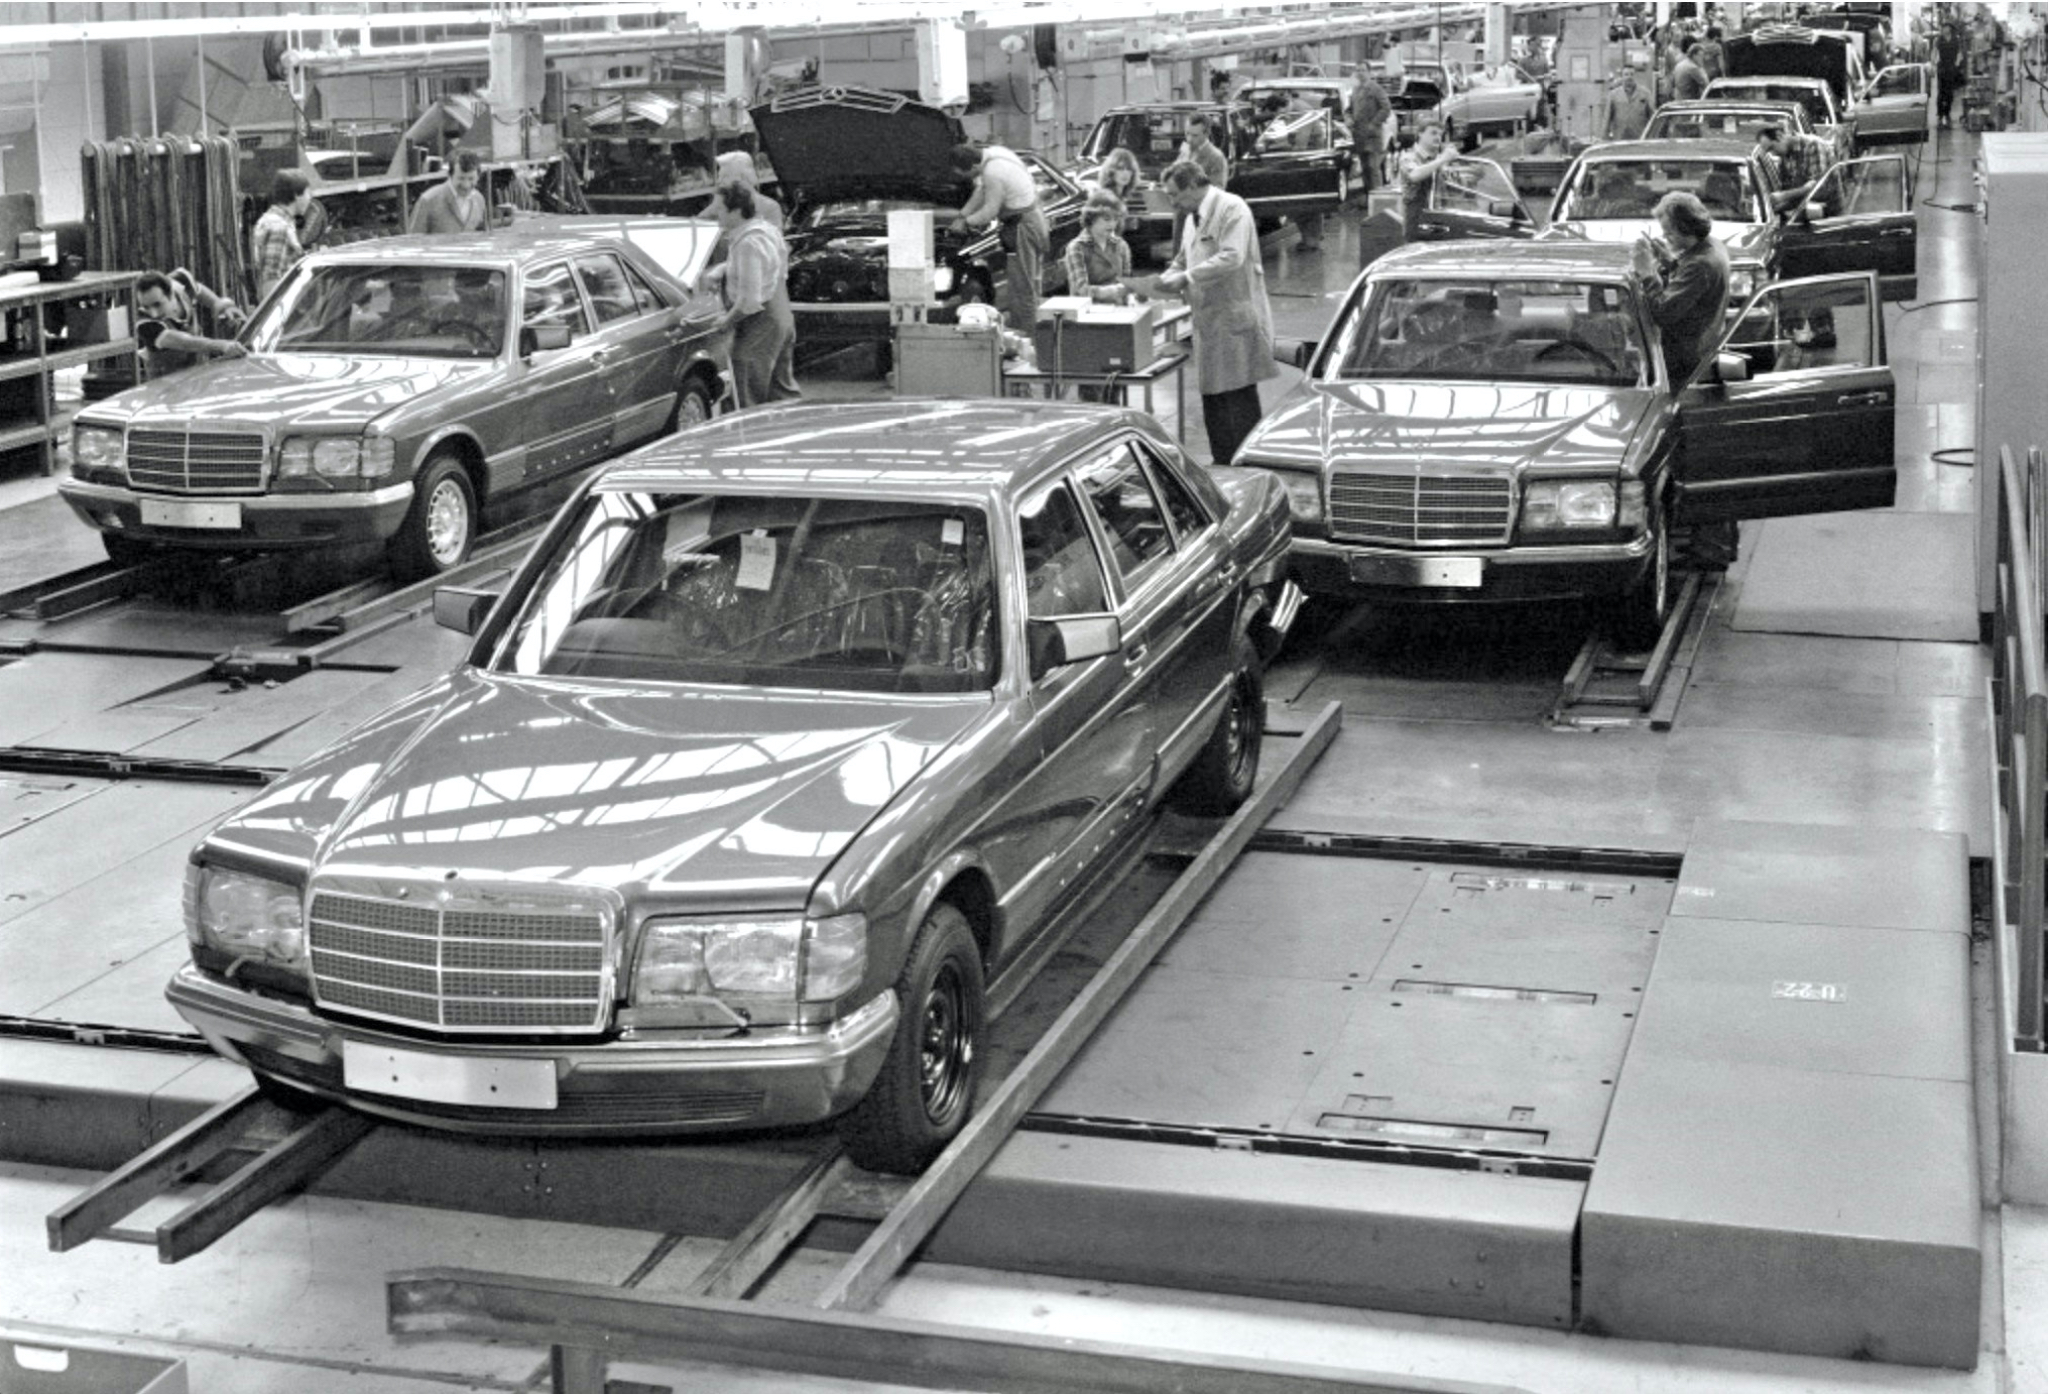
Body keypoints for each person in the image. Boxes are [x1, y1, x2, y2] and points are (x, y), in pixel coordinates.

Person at [1154, 159, 1277, 468]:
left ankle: (1248, 468)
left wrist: (1188, 277)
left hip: (1235, 319)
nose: (1172, 202)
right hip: (1209, 321)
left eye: (1175, 195)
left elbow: (1232, 256)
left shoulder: (1232, 209)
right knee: (1215, 403)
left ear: (1194, 186)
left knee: (1237, 401)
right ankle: (1223, 465)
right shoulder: (1191, 216)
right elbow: (1184, 257)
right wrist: (1166, 277)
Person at [702, 180, 796, 409]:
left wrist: (726, 320)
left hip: (760, 325)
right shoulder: (764, 230)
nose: (717, 215)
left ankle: (749, 442)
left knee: (746, 392)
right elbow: (767, 266)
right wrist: (723, 269)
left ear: (736, 211)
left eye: (721, 210)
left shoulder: (748, 242)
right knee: (781, 392)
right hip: (780, 317)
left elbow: (749, 301)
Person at [1629, 190, 1729, 386]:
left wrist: (1647, 271)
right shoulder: (1711, 245)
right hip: (1699, 353)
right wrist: (1669, 261)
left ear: (1686, 227)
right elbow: (1693, 287)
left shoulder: (1700, 265)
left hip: (1687, 365)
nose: (1665, 237)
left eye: (1669, 232)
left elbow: (1663, 312)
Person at [949, 142, 1049, 333]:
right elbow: (981, 191)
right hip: (1033, 220)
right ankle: (1030, 334)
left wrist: (967, 222)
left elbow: (990, 210)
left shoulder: (993, 172)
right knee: (1029, 286)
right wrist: (962, 215)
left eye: (965, 174)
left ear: (974, 166)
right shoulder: (995, 153)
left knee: (1023, 289)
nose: (967, 179)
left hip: (1023, 227)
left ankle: (1027, 340)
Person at [133, 269, 246, 380]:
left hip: (200, 372)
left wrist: (219, 305)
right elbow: (185, 342)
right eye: (146, 307)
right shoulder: (144, 324)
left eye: (157, 304)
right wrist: (223, 346)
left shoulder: (182, 281)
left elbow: (199, 290)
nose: (153, 313)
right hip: (167, 383)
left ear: (171, 294)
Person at [250, 169, 312, 302]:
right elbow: (270, 281)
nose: (310, 198)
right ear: (297, 194)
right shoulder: (279, 228)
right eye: (308, 193)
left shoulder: (272, 220)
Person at [1396, 119, 1457, 245]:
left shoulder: (1439, 158)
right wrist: (1442, 160)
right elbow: (1415, 175)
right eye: (1433, 133)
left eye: (1440, 134)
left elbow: (1454, 188)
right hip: (1417, 222)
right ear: (1420, 134)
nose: (1438, 138)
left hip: (1441, 219)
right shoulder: (1408, 156)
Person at [408, 149, 489, 235]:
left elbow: (484, 236)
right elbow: (414, 240)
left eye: (471, 179)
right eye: (461, 178)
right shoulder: (428, 200)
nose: (466, 185)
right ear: (450, 175)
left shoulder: (479, 199)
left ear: (479, 177)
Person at [1350, 67, 1392, 186]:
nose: (1360, 73)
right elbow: (1350, 109)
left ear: (1369, 72)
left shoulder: (1376, 89)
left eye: (1362, 70)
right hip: (1359, 135)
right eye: (1357, 70)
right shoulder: (1355, 89)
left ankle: (1377, 197)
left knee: (1373, 167)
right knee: (1365, 168)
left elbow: (1386, 108)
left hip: (1373, 135)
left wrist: (1374, 123)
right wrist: (1349, 119)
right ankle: (1368, 197)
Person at [1605, 67, 1654, 141]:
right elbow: (1607, 118)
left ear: (1635, 76)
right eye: (1626, 74)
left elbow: (1652, 116)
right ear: (1622, 77)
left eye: (1632, 74)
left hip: (1639, 137)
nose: (1629, 77)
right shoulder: (1613, 95)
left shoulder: (1645, 93)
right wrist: (1604, 137)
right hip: (1619, 137)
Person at [1936, 19, 1964, 129]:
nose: (1944, 29)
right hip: (1942, 68)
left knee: (1949, 94)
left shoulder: (1956, 40)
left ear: (1950, 29)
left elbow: (1960, 53)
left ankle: (1947, 115)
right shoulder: (1939, 40)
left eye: (1946, 27)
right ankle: (1940, 115)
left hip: (1951, 68)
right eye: (1943, 27)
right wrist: (1934, 65)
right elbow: (1935, 53)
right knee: (1941, 93)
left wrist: (1957, 64)